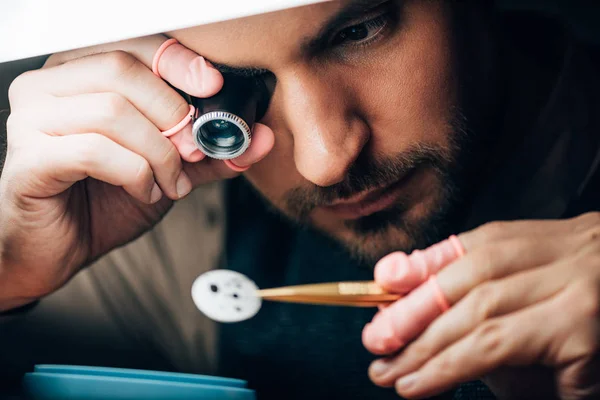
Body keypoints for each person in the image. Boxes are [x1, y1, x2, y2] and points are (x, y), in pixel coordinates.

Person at [1, 1, 599, 399]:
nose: (326, 159)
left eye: (357, 32)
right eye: (238, 88)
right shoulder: (183, 222)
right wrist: (14, 273)